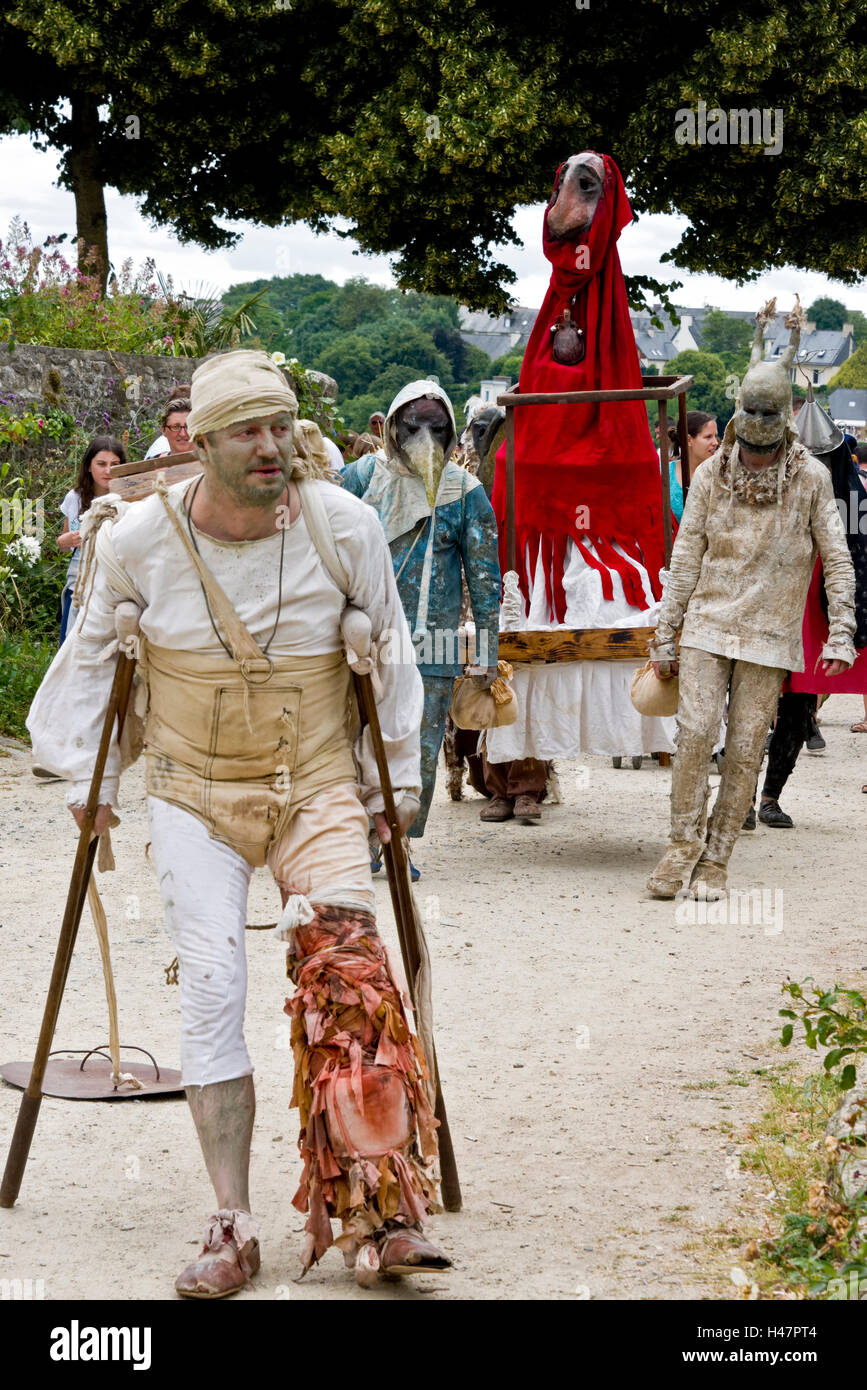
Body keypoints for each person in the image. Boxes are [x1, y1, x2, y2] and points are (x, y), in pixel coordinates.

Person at [28, 349, 449, 1295]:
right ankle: (232, 1222)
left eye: (278, 426)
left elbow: (389, 656)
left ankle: (381, 1210)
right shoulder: (137, 539)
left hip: (317, 784)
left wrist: (397, 794)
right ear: (202, 441)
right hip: (191, 790)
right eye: (245, 431)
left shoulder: (344, 528)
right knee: (213, 984)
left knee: (350, 977)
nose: (268, 447)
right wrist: (82, 770)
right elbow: (93, 653)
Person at [646, 299, 856, 900]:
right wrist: (666, 633)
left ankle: (715, 860)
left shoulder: (812, 478)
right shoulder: (713, 474)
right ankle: (680, 846)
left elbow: (836, 558)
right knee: (693, 736)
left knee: (742, 751)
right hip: (708, 622)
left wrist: (841, 631)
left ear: (785, 422)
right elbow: (685, 557)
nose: (757, 454)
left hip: (769, 632)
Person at [342, 380, 501, 865]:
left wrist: (489, 654)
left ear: (452, 432)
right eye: (415, 426)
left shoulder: (464, 491)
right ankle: (353, 837)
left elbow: (483, 575)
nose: (425, 438)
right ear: (392, 427)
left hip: (435, 641)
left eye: (437, 428)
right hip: (359, 634)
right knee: (351, 734)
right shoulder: (360, 479)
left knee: (419, 745)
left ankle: (398, 838)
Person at [758, 398, 867, 823]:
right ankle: (742, 800)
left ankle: (768, 798)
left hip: (820, 609)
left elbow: (851, 559)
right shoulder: (762, 491)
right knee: (751, 702)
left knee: (799, 705)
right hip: (769, 604)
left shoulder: (853, 506)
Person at [57, 435, 125, 642]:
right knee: (71, 641)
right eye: (101, 464)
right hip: (79, 581)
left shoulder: (129, 497)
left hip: (114, 582)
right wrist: (64, 541)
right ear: (88, 466)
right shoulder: (75, 498)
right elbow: (63, 544)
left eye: (115, 464)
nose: (108, 471)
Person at [665, 412, 719, 523]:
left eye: (715, 436)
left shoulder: (722, 474)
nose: (715, 442)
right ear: (689, 440)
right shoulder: (665, 474)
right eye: (708, 437)